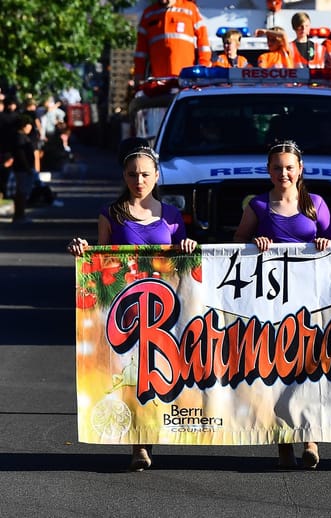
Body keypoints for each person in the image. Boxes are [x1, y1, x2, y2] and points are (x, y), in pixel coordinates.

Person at [66, 138, 198, 471]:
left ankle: (150, 433)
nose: (138, 181)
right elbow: (101, 259)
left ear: (156, 175)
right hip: (125, 310)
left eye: (144, 175)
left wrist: (188, 244)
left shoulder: (170, 215)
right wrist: (82, 250)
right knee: (131, 374)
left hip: (165, 310)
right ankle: (138, 444)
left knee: (159, 373)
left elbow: (184, 258)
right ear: (124, 176)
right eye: (131, 175)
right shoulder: (110, 214)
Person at [232, 140, 331, 469]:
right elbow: (235, 244)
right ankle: (283, 444)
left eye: (289, 167)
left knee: (308, 366)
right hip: (271, 301)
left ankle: (310, 439)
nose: (284, 173)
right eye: (277, 167)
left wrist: (323, 241)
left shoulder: (316, 204)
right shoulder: (259, 206)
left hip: (310, 301)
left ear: (300, 169)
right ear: (268, 171)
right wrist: (254, 242)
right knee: (276, 368)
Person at [133, 0, 211, 81]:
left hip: (185, 78)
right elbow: (140, 51)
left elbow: (203, 41)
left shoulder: (190, 9)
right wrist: (139, 77)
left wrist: (203, 68)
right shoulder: (148, 14)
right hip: (159, 81)